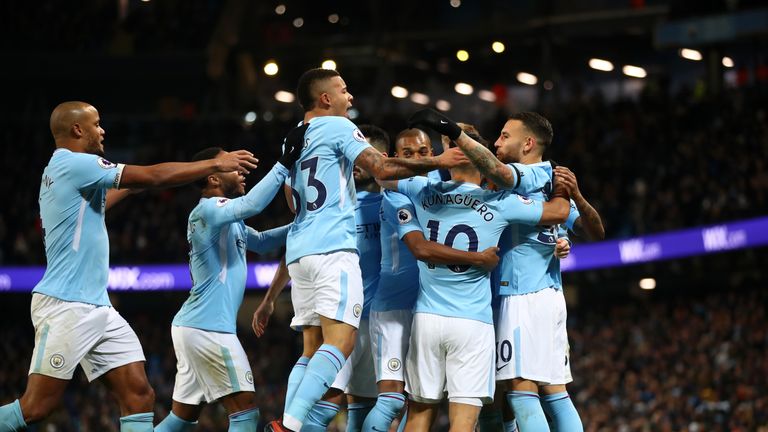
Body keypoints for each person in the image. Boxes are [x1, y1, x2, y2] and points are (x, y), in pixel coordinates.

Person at [0, 101, 258, 432]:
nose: (102, 130)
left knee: (138, 394)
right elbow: (151, 177)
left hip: (97, 306)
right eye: (96, 124)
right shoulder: (75, 163)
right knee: (36, 408)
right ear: (78, 129)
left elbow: (112, 197)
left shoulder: (65, 170)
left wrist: (136, 182)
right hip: (66, 305)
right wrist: (214, 162)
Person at [265, 69, 468, 432]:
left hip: (301, 249)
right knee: (340, 348)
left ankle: (287, 420)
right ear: (326, 98)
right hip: (336, 255)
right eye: (344, 90)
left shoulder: (292, 138)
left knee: (313, 354)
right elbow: (382, 168)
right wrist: (439, 161)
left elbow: (291, 200)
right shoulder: (342, 131)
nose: (350, 97)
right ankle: (291, 426)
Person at [410, 109, 604, 432]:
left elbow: (498, 172)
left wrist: (454, 136)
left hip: (520, 295)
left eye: (504, 136)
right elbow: (589, 229)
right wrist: (572, 210)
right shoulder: (551, 182)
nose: (498, 142)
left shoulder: (521, 177)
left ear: (528, 144)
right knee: (551, 392)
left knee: (519, 389)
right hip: (541, 296)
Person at [378, 125, 571, 432]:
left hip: (427, 318)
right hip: (473, 323)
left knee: (418, 414)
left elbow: (381, 173)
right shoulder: (501, 203)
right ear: (485, 169)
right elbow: (559, 212)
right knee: (464, 423)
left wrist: (435, 163)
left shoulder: (423, 192)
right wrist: (561, 184)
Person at [155, 129, 305, 432]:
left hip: (195, 327)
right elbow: (251, 205)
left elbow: (261, 241)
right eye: (231, 166)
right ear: (213, 177)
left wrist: (308, 221)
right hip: (209, 329)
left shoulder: (226, 218)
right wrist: (284, 163)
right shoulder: (209, 210)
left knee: (180, 420)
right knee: (246, 414)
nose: (240, 171)